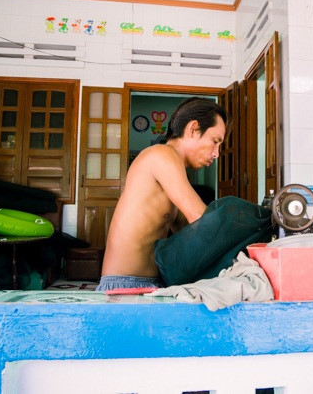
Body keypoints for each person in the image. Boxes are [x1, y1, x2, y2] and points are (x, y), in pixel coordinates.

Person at [96, 97, 227, 291]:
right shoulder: (161, 154)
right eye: (215, 141)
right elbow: (201, 219)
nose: (216, 153)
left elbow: (189, 230)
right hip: (127, 284)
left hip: (151, 284)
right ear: (193, 129)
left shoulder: (174, 170)